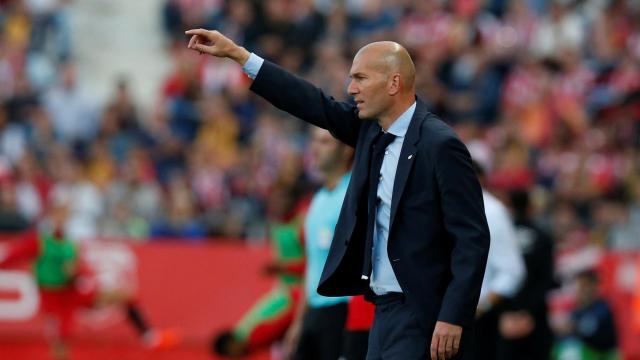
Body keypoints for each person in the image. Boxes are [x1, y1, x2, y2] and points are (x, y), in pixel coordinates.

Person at [185, 29, 490, 360]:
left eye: (360, 78)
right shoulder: (370, 131)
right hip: (382, 310)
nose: (351, 88)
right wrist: (239, 55)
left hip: (425, 313)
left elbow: (471, 238)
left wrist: (452, 315)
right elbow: (311, 102)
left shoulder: (440, 144)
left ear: (393, 83)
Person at [0, 203, 178, 359]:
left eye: (64, 214)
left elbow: (80, 269)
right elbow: (11, 257)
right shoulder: (38, 241)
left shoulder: (71, 243)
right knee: (62, 339)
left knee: (125, 294)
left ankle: (149, 337)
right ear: (50, 215)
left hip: (73, 292)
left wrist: (76, 273)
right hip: (53, 298)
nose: (61, 219)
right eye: (58, 214)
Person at [212, 177, 309, 358]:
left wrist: (282, 268)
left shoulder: (303, 225)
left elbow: (314, 265)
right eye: (274, 198)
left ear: (294, 200)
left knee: (257, 332)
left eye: (282, 198)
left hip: (301, 293)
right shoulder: (276, 225)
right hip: (284, 291)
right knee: (249, 327)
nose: (277, 203)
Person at [282, 128, 354, 360]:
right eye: (314, 141)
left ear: (346, 150)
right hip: (314, 312)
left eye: (324, 142)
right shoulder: (317, 200)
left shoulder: (355, 195)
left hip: (343, 311)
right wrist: (299, 321)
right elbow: (312, 264)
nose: (315, 148)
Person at [471, 161, 526, 360]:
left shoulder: (492, 211)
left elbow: (512, 270)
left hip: (476, 315)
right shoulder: (439, 204)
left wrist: (482, 305)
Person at [497, 190, 555, 360]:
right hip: (535, 317)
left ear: (509, 208)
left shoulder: (500, 237)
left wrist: (507, 312)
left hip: (504, 317)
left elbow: (497, 277)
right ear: (531, 208)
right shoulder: (543, 238)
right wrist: (528, 313)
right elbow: (546, 279)